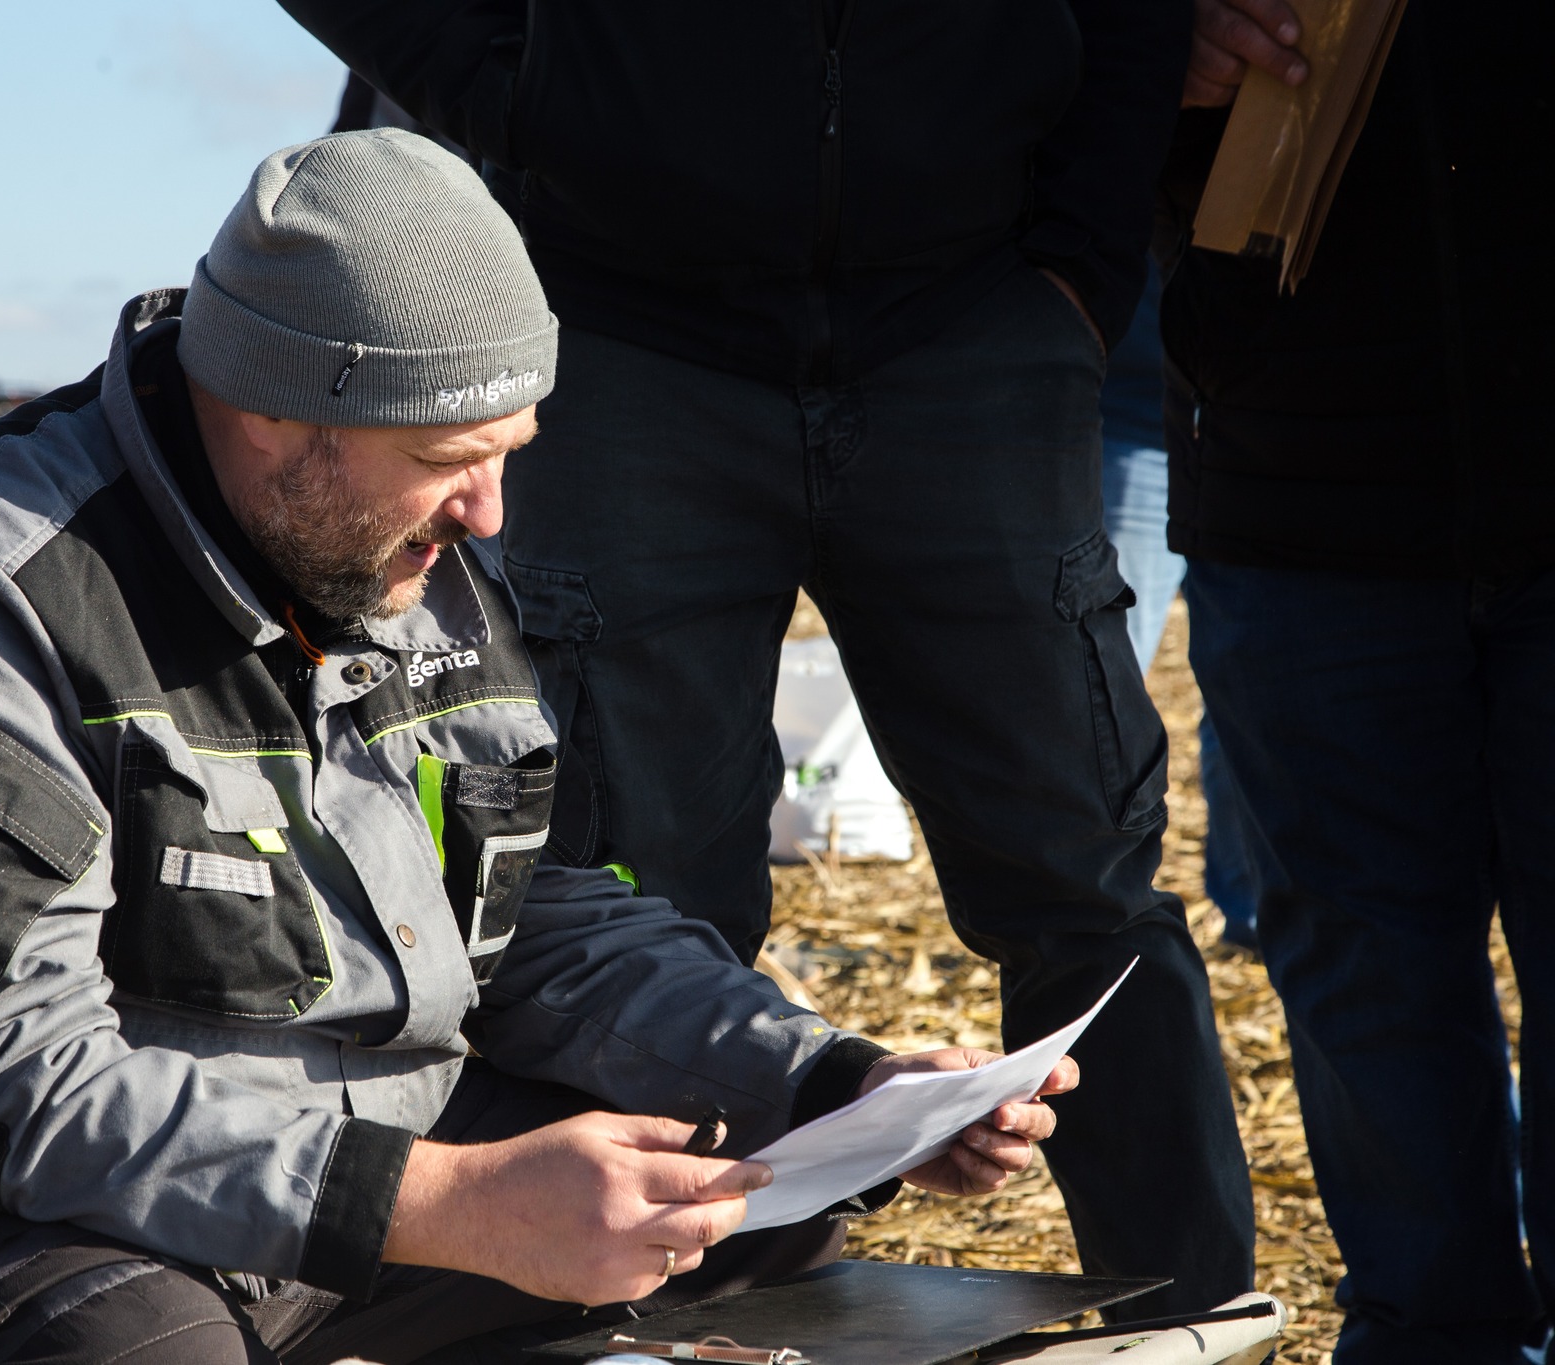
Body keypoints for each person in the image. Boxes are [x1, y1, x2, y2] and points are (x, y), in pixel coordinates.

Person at [0, 131, 1075, 1365]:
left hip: (331, 1156)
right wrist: (447, 1205)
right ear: (276, 411)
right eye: (451, 460)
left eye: (510, 451)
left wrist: (831, 1084)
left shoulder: (406, 549)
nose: (491, 514)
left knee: (734, 1212)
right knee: (128, 1348)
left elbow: (536, 918)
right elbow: (1, 1082)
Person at [275, 0, 1253, 1315]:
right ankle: (681, 1328)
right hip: (630, 328)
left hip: (973, 314)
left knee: (1084, 885)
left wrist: (1079, 256)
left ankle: (1187, 1323)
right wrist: (528, 97)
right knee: (642, 891)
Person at [1160, 0, 1553, 1359]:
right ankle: (1430, 1336)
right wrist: (1150, 35)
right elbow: (1022, 63)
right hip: (1298, 478)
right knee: (1365, 966)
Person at [1098, 270, 1258, 951]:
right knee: (1098, 699)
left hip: (1261, 439)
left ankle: (1254, 913)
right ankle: (1098, 915)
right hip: (1135, 421)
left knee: (1253, 699)